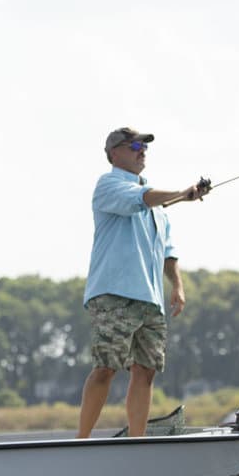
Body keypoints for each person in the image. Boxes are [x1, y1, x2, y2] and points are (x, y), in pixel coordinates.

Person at [78, 127, 210, 438]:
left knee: (146, 370)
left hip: (150, 299)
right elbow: (140, 200)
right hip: (114, 293)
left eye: (145, 147)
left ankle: (137, 441)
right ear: (114, 153)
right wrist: (181, 193)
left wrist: (177, 286)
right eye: (135, 145)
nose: (142, 151)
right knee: (106, 367)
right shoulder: (108, 184)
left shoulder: (157, 205)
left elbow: (167, 249)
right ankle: (81, 440)